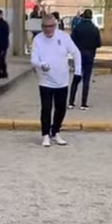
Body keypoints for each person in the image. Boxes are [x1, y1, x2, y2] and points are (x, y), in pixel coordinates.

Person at [30, 16, 82, 147]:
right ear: (42, 27)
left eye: (51, 26)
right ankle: (45, 134)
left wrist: (77, 71)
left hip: (62, 80)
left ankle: (55, 131)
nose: (48, 30)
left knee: (60, 109)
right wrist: (41, 64)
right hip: (45, 81)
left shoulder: (64, 37)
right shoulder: (38, 40)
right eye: (45, 27)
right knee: (46, 108)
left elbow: (76, 53)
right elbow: (33, 58)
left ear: (55, 25)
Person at [69, 9, 101, 110]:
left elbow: (72, 40)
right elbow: (99, 44)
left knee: (76, 78)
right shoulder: (95, 29)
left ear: (83, 16)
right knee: (86, 80)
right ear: (91, 17)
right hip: (90, 55)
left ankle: (71, 102)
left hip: (78, 55)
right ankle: (83, 103)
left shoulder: (77, 27)